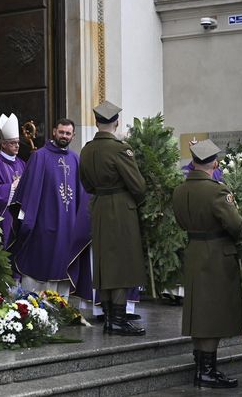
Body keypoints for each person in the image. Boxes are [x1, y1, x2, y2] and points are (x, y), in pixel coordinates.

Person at [172, 139, 242, 389]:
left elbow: (181, 222)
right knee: (212, 313)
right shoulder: (217, 191)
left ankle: (203, 366)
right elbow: (236, 226)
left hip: (193, 250)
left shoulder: (180, 190)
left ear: (193, 162)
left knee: (198, 310)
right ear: (214, 162)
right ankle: (207, 371)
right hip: (216, 253)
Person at [79, 100, 147, 336]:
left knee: (104, 263)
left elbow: (86, 184)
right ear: (116, 123)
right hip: (120, 207)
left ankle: (109, 318)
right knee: (121, 264)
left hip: (98, 207)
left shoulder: (86, 149)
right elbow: (138, 186)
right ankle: (117, 320)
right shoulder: (120, 149)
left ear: (96, 122)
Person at [10, 118, 92, 301]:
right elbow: (29, 191)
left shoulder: (75, 159)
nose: (64, 136)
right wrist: (26, 220)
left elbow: (81, 195)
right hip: (43, 225)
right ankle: (33, 305)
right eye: (61, 132)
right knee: (40, 262)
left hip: (68, 228)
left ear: (73, 135)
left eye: (68, 133)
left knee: (62, 268)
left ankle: (60, 307)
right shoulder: (39, 156)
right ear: (54, 131)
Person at [0, 113, 26, 248]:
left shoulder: (22, 163)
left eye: (18, 143)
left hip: (21, 215)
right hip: (4, 216)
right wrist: (11, 188)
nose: (17, 146)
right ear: (3, 144)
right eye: (13, 143)